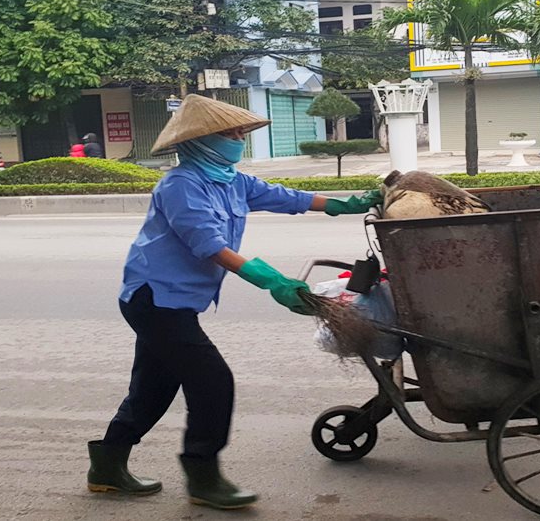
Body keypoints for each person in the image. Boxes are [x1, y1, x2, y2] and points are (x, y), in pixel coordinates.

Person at [87, 94, 381, 510]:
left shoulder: (231, 179)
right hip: (154, 299)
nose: (239, 138)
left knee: (153, 389)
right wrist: (272, 281)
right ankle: (202, 475)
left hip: (176, 302)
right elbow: (208, 244)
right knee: (212, 381)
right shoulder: (180, 185)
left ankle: (106, 466)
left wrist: (343, 204)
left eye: (241, 131)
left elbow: (286, 197)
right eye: (232, 132)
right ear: (202, 140)